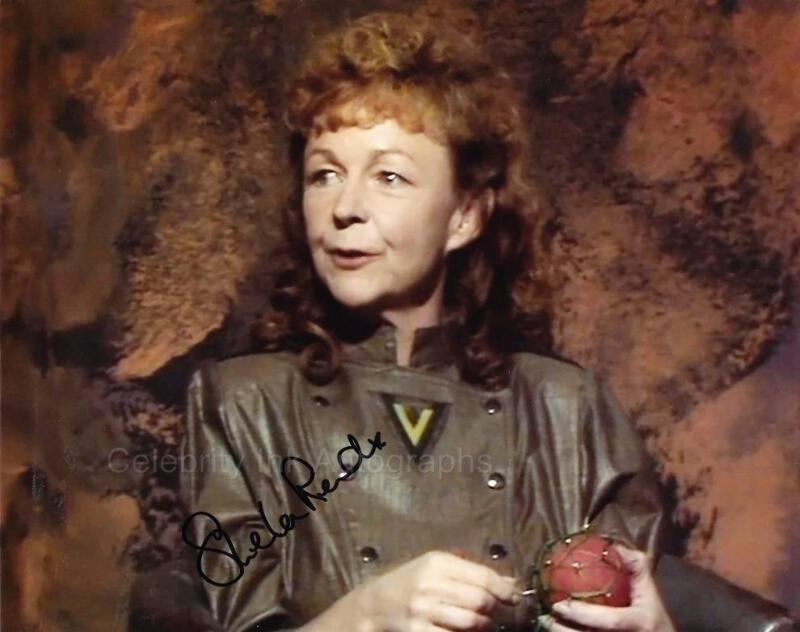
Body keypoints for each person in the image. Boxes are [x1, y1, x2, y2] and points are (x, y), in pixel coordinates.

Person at [180, 8, 676, 632]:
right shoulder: (241, 403)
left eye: (389, 176)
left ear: (464, 216)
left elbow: (620, 604)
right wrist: (365, 616)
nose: (345, 207)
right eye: (324, 174)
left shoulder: (568, 410)